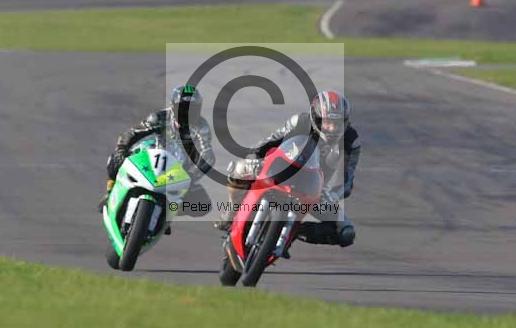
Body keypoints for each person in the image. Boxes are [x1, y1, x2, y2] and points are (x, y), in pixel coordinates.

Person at [214, 90, 360, 251]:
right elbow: (271, 140)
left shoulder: (351, 140)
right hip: (280, 170)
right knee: (239, 168)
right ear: (316, 118)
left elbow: (348, 178)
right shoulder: (300, 121)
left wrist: (333, 195)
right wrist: (254, 157)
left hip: (314, 189)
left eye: (337, 124)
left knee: (346, 233)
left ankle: (293, 231)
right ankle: (231, 212)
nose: (331, 129)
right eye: (327, 123)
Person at [99, 84, 216, 232]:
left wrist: (192, 175)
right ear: (173, 106)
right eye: (183, 108)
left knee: (203, 205)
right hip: (151, 157)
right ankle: (110, 192)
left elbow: (207, 155)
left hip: (177, 169)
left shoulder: (201, 127)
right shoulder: (160, 117)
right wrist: (121, 149)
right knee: (114, 160)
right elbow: (132, 133)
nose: (187, 113)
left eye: (192, 109)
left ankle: (166, 213)